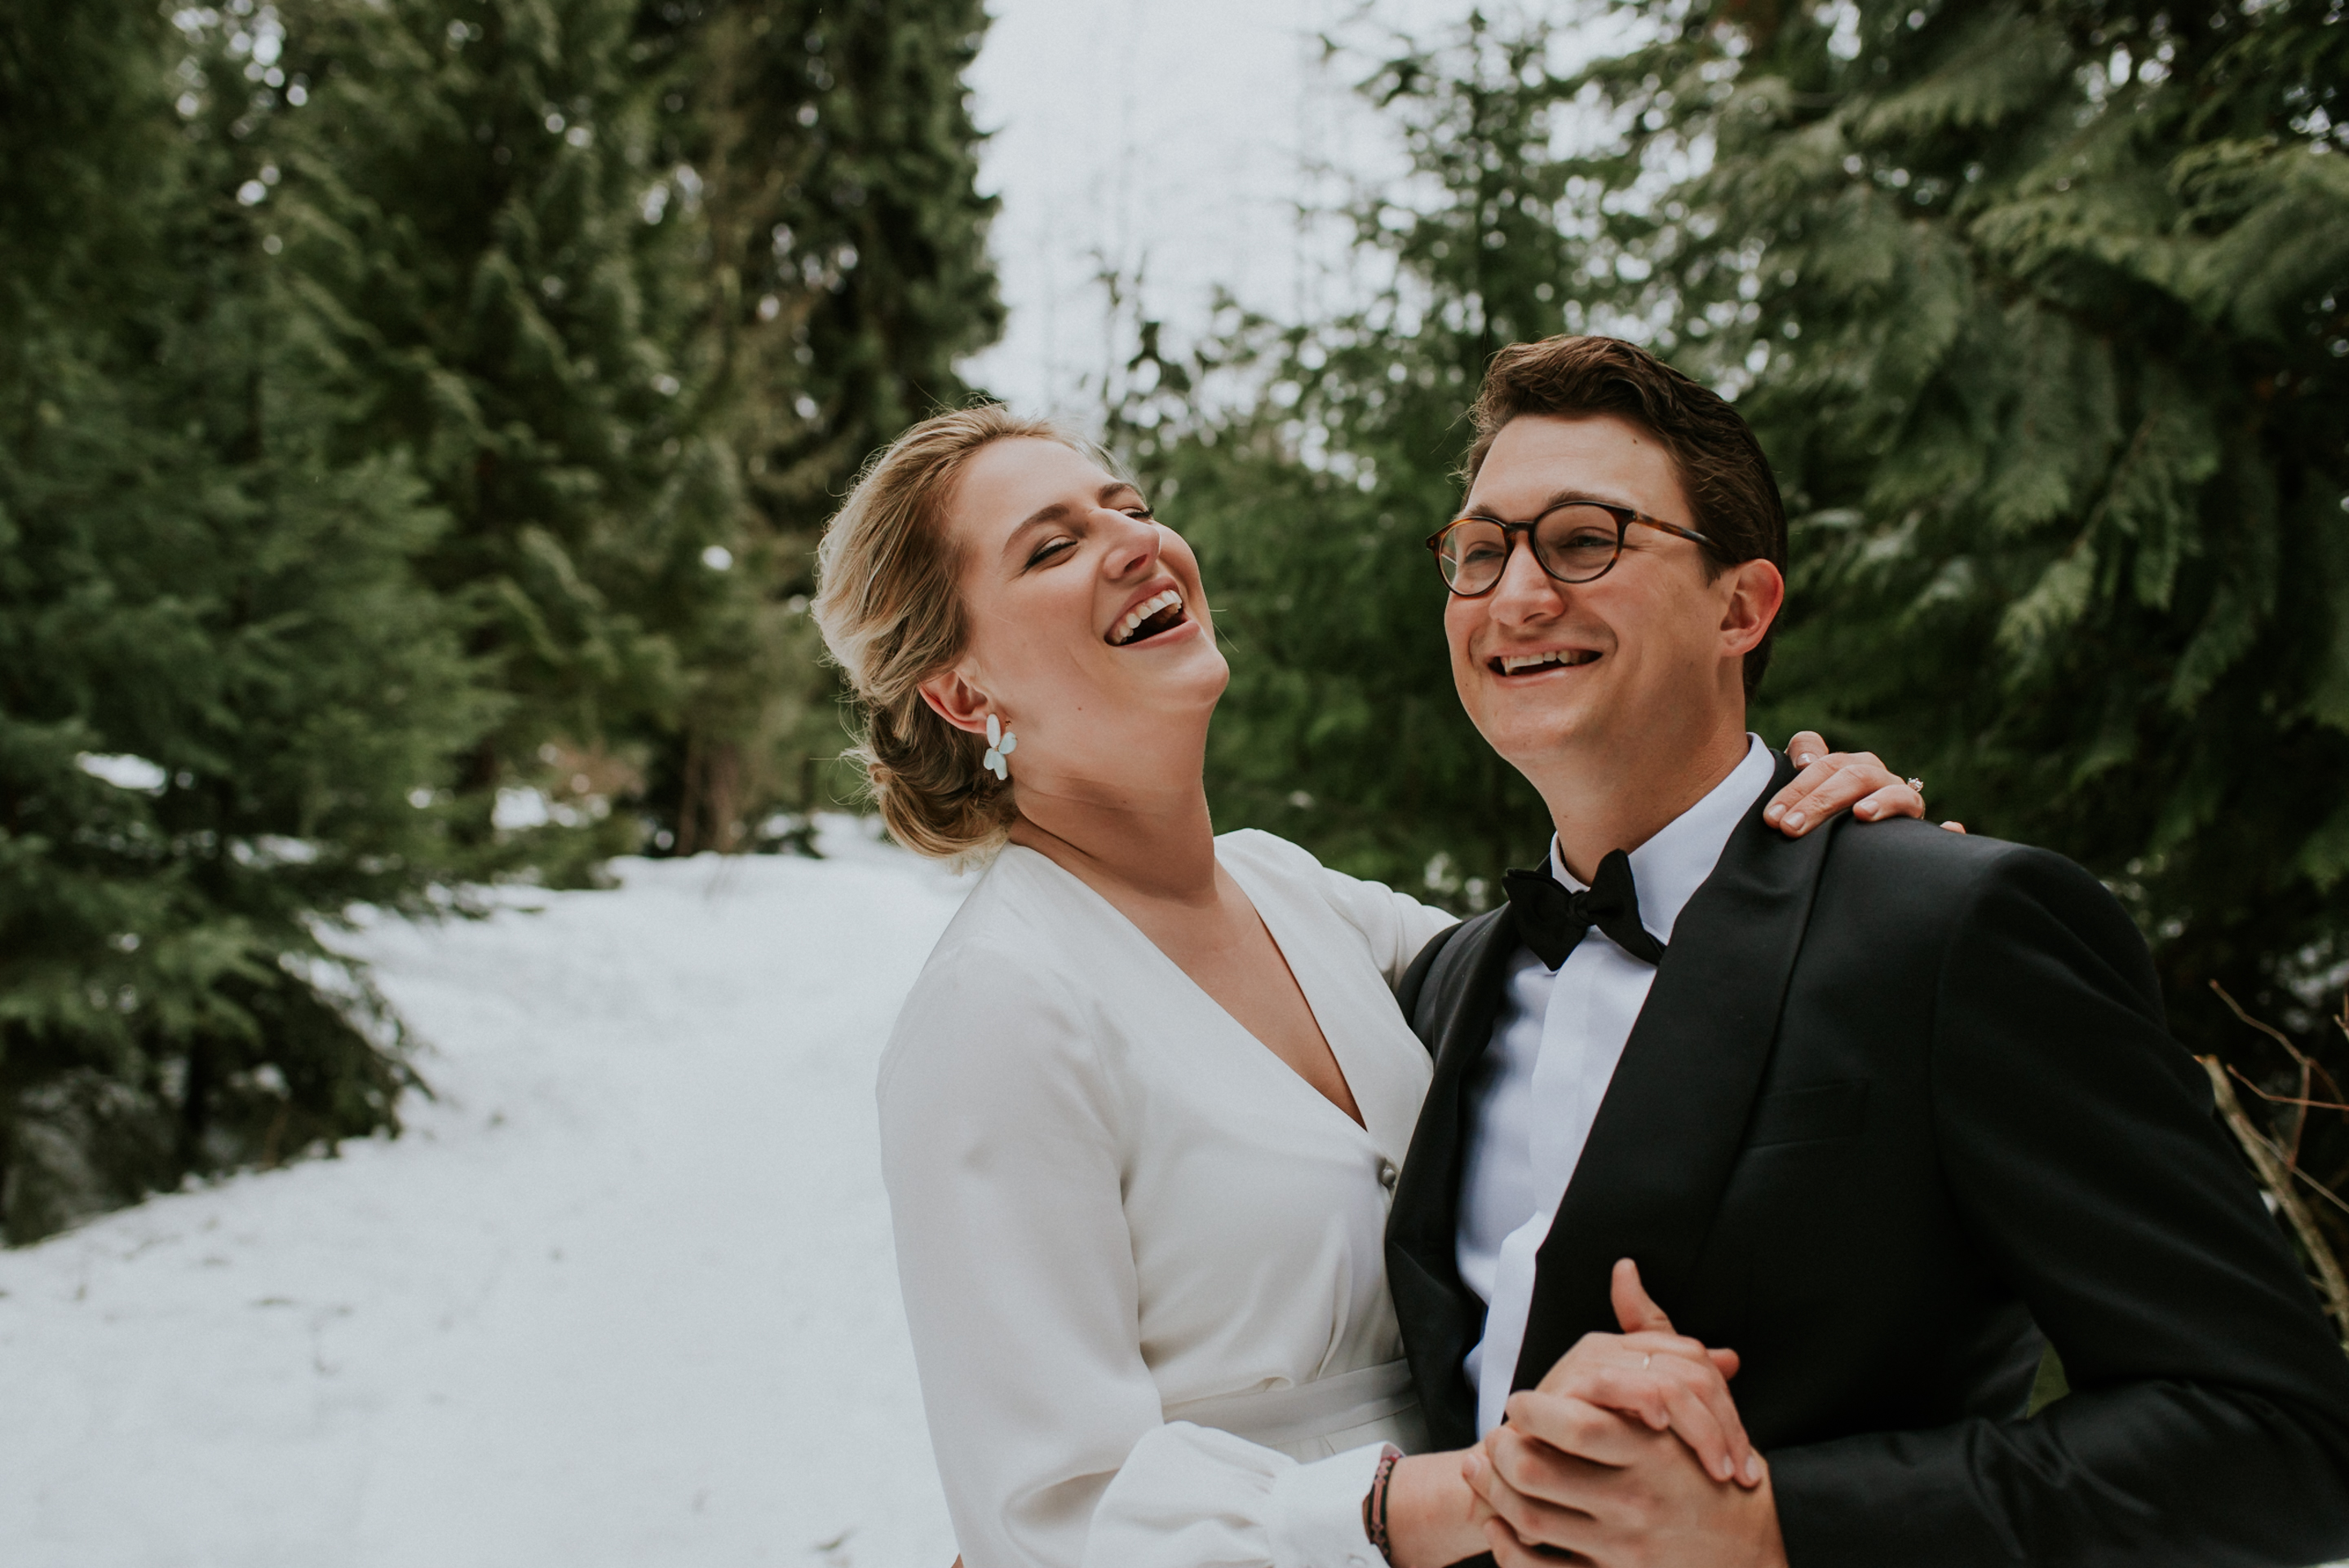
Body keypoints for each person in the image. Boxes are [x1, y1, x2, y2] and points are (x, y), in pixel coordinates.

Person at [811, 405, 1936, 1568]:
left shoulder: (1294, 895)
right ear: (959, 693)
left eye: (1131, 508)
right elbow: (1048, 1516)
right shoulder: (997, 1008)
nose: (1137, 542)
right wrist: (1447, 1503)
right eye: (1052, 548)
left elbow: (1607, 973)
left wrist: (1826, 867)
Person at [1382, 333, 2349, 1568]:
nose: (1516, 595)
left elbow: (2278, 1437)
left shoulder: (1952, 927)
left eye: (1584, 540)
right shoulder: (1442, 986)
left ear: (1743, 605)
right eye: (1479, 552)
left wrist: (1777, 1522)